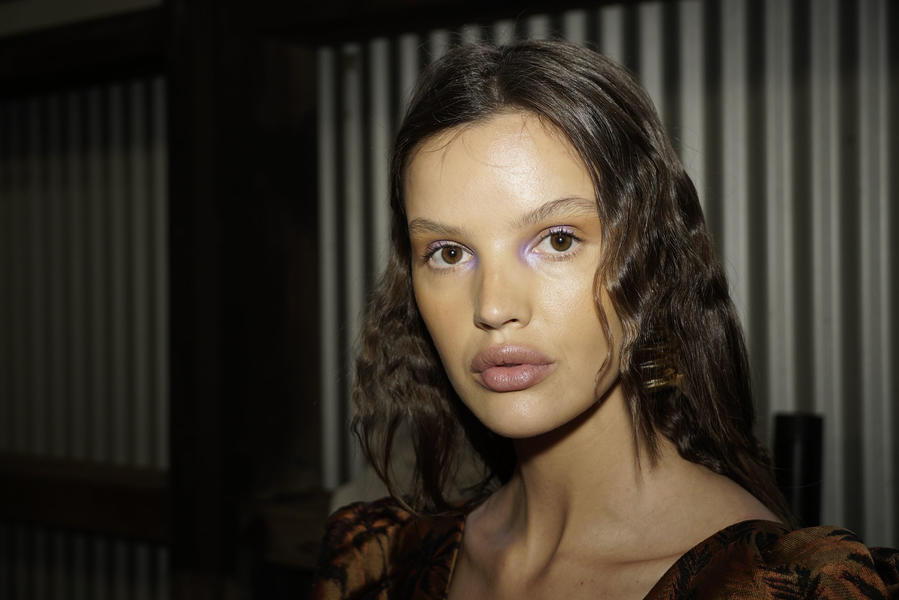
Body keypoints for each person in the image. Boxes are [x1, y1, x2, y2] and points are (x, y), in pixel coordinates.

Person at [312, 40, 898, 599]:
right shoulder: (380, 566)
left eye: (558, 240)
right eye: (448, 252)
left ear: (652, 262)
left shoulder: (779, 585)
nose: (492, 307)